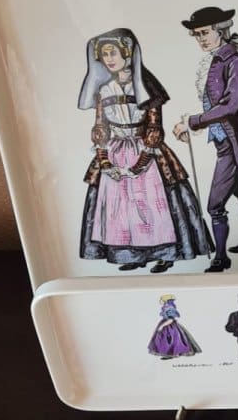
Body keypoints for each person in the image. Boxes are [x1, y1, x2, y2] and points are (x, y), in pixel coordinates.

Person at [78, 28, 210, 272]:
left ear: (127, 54)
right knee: (119, 207)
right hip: (115, 151)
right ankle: (131, 254)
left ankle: (165, 254)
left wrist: (141, 162)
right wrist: (105, 162)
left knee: (154, 205)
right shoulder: (104, 89)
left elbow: (154, 126)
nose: (108, 59)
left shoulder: (146, 87)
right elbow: (100, 127)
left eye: (113, 53)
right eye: (104, 54)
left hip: (146, 152)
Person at [174, 6, 238, 272]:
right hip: (224, 141)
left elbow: (230, 106)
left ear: (221, 30)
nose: (201, 39)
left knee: (214, 205)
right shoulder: (214, 61)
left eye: (205, 33)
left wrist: (192, 122)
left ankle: (221, 258)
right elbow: (214, 105)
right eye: (196, 35)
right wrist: (194, 125)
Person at [147, 295, 202, 360]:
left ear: (165, 300)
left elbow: (171, 320)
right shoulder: (165, 307)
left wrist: (162, 326)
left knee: (171, 340)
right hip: (165, 324)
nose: (160, 301)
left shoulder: (170, 308)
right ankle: (168, 353)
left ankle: (171, 354)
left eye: (161, 300)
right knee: (163, 340)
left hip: (170, 327)